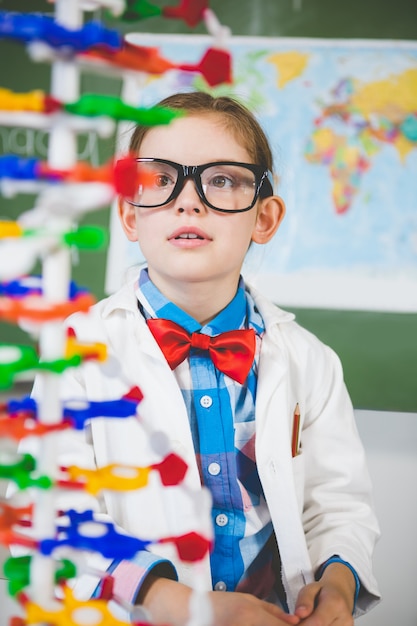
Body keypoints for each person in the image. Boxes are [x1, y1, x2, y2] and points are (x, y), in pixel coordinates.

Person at [41, 91, 380, 626]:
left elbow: (338, 505)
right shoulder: (77, 354)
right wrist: (171, 600)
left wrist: (337, 583)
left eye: (221, 180)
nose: (188, 200)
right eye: (160, 180)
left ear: (264, 219)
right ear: (130, 215)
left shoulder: (310, 360)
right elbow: (53, 514)